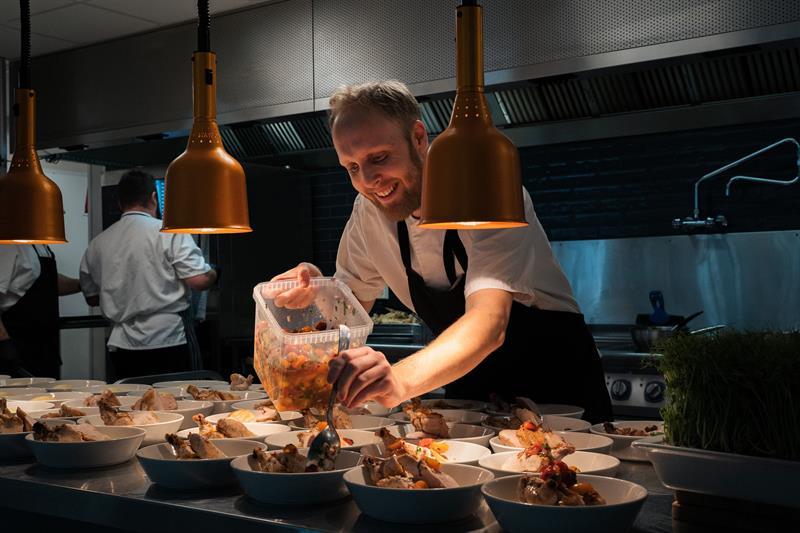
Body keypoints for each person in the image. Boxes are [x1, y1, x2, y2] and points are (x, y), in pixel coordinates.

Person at [271, 80, 612, 423]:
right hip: (472, 393)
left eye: (379, 158)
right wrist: (318, 288)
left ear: (418, 137)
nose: (369, 179)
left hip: (560, 391)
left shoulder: (486, 189)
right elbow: (349, 310)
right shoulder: (367, 214)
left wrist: (399, 380)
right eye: (352, 167)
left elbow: (489, 322)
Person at [79, 170, 217, 379]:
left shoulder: (98, 243)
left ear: (120, 202)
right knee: (180, 403)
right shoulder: (169, 231)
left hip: (122, 345)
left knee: (131, 406)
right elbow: (198, 280)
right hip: (169, 339)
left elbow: (91, 298)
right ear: (154, 197)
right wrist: (214, 273)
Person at [0, 244, 81, 378]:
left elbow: (50, 283)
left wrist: (83, 284)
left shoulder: (41, 245)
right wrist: (5, 345)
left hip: (46, 350)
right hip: (16, 350)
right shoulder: (7, 245)